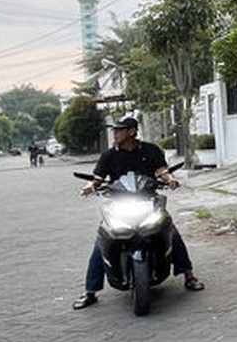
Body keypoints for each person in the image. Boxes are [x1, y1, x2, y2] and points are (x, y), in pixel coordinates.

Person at [74, 116, 203, 309]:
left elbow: (162, 171)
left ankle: (189, 276)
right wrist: (90, 187)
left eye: (119, 130)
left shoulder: (151, 150)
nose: (115, 134)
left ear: (132, 132)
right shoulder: (109, 155)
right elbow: (97, 179)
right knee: (102, 239)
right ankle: (90, 291)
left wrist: (170, 180)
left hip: (148, 200)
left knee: (170, 231)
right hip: (119, 203)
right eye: (115, 130)